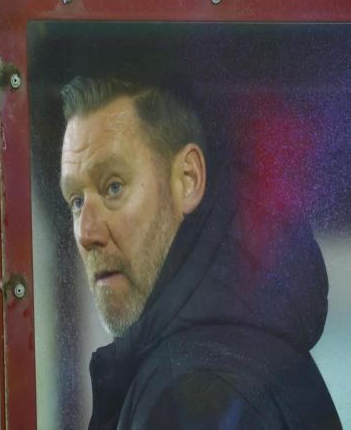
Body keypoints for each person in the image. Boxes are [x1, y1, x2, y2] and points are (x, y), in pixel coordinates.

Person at [59, 76, 341, 429]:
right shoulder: (251, 352)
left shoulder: (191, 394)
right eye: (76, 201)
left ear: (188, 179)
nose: (86, 232)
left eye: (113, 187)